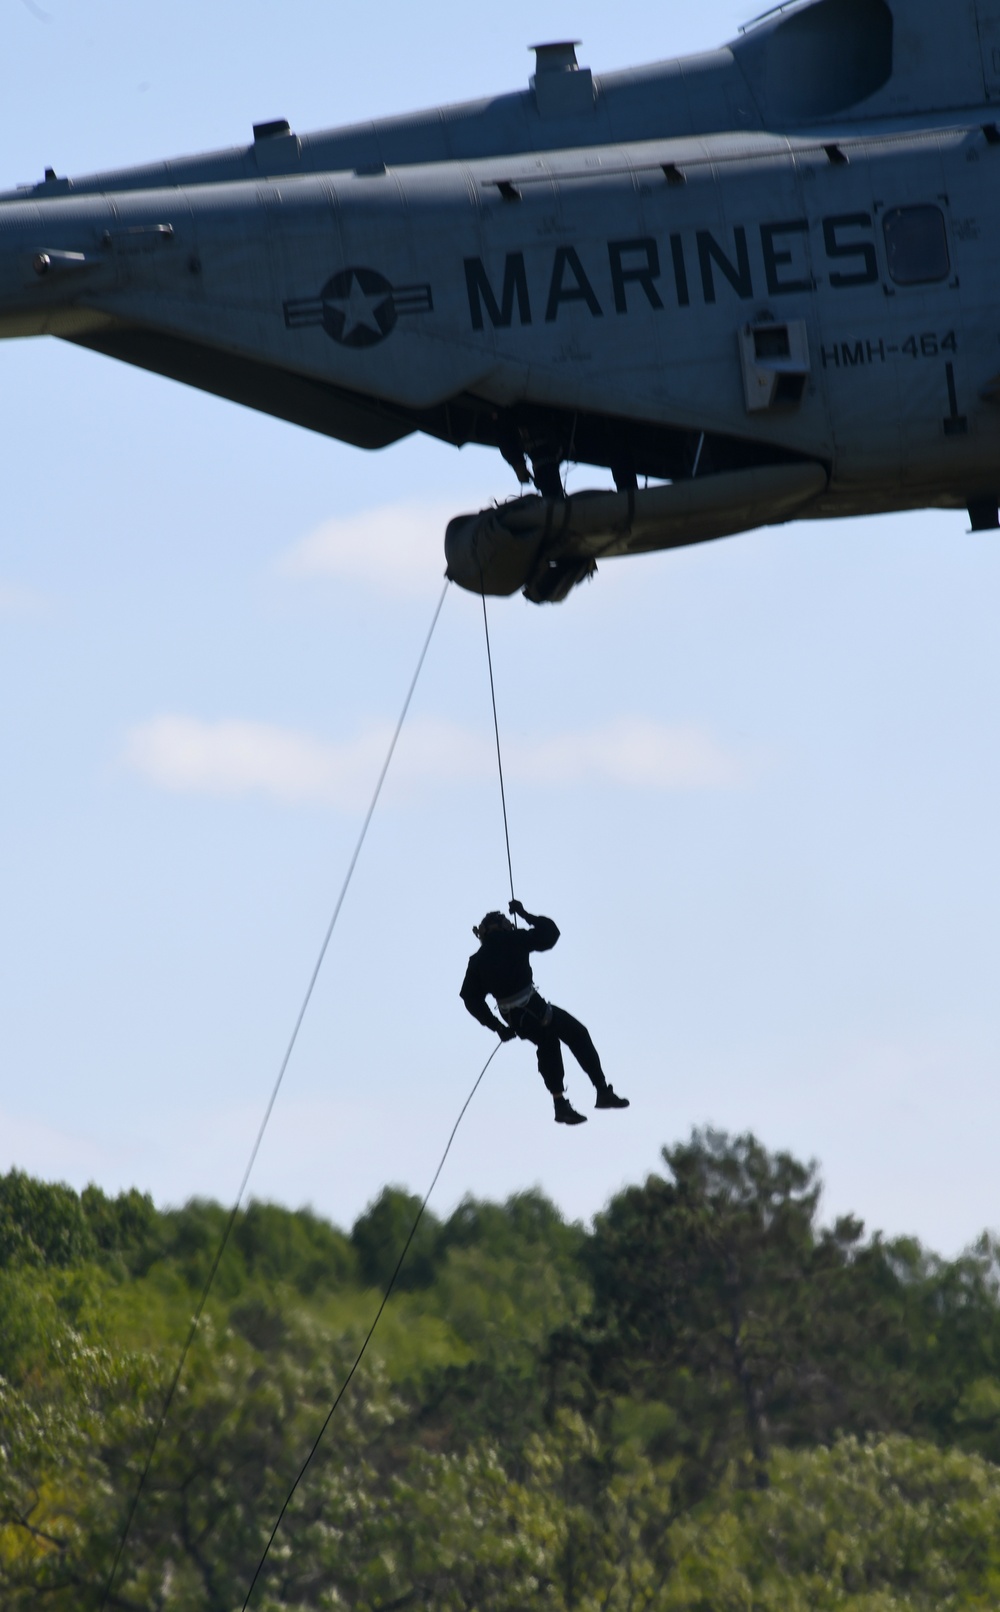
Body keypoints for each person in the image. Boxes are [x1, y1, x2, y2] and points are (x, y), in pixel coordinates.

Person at [460, 898, 629, 1125]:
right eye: (508, 922)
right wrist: (524, 913)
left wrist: (497, 1027)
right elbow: (550, 934)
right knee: (577, 1034)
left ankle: (560, 1104)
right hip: (535, 1008)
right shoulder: (514, 940)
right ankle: (602, 1091)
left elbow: (470, 999)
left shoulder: (477, 961)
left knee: (548, 1044)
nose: (511, 924)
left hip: (514, 1018)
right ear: (500, 927)